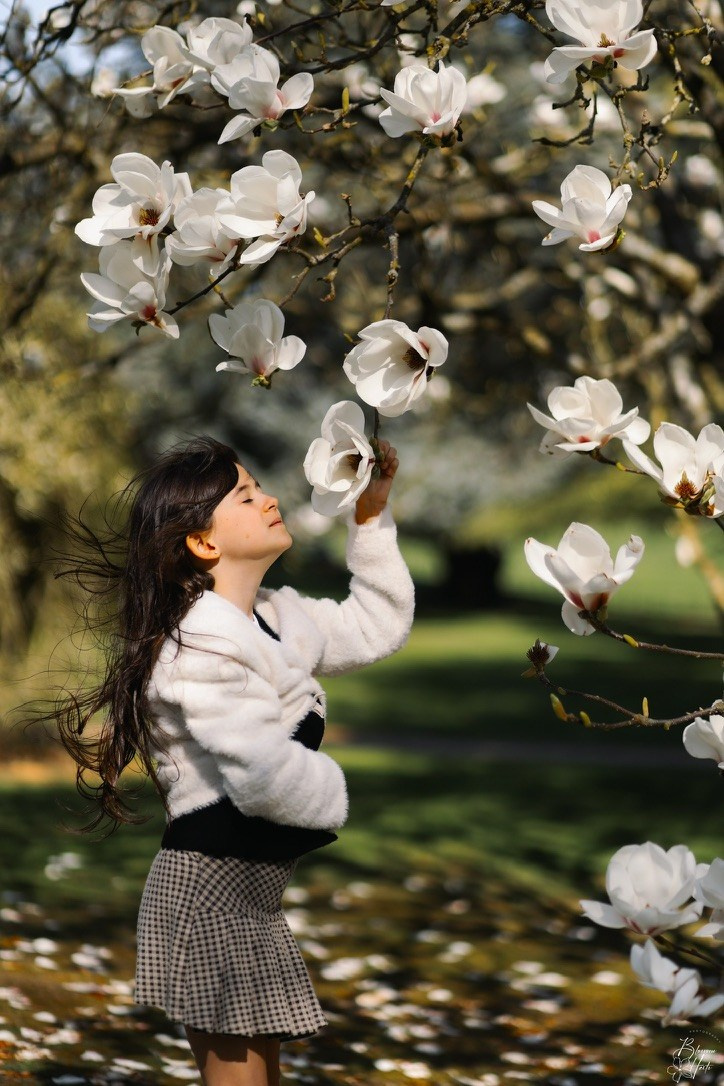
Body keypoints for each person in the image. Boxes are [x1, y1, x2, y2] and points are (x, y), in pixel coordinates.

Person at [53, 435, 415, 1086]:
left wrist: (370, 516)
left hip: (251, 903)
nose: (270, 498)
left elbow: (376, 624)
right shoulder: (199, 650)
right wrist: (330, 790)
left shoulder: (277, 619)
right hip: (209, 899)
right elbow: (259, 774)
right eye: (246, 496)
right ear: (203, 543)